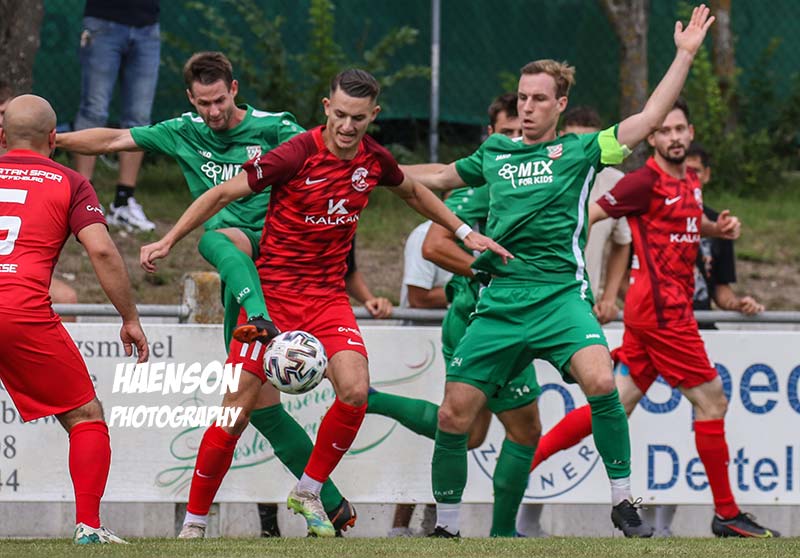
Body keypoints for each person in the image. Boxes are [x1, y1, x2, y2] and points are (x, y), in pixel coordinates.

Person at [139, 68, 510, 537]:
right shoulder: (295, 153)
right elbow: (222, 193)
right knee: (235, 411)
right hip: (274, 294)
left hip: (327, 297)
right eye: (341, 115)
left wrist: (464, 231)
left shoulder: (373, 159)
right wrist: (168, 240)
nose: (348, 126)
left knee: (355, 390)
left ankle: (309, 489)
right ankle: (193, 524)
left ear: (373, 115)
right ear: (326, 108)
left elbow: (414, 191)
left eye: (359, 117)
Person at [409, 6, 716, 538]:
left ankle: (622, 501)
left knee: (601, 380)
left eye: (538, 99)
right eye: (522, 98)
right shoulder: (495, 152)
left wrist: (684, 54)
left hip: (559, 296)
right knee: (453, 416)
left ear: (560, 104)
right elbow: (436, 177)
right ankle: (448, 528)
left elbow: (647, 119)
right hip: (501, 301)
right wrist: (364, 165)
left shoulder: (580, 150)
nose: (527, 107)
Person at [58, 51, 357, 538]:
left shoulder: (274, 127)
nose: (213, 112)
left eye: (220, 101)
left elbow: (322, 161)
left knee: (220, 241)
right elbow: (113, 139)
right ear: (190, 99)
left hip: (284, 270)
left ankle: (201, 522)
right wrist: (47, 141)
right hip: (242, 285)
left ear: (234, 90)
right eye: (203, 104)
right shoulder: (184, 130)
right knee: (252, 410)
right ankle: (325, 501)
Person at [532, 98, 778, 538]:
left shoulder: (690, 180)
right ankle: (726, 514)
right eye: (665, 131)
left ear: (691, 132)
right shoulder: (643, 182)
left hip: (655, 313)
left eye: (680, 129)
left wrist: (716, 229)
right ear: (652, 138)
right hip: (663, 314)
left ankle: (522, 461)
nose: (674, 137)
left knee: (615, 403)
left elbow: (684, 223)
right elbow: (589, 214)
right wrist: (560, 257)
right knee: (713, 402)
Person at [369, 92, 541, 537]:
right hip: (483, 320)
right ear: (490, 136)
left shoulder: (531, 179)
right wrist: (497, 272)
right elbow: (434, 246)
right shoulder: (483, 183)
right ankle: (502, 535)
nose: (515, 140)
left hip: (494, 317)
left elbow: (429, 173)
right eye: (506, 132)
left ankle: (370, 400)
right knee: (523, 430)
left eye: (521, 132)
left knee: (470, 434)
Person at [0, 95, 149, 544]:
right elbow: (101, 250)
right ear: (53, 138)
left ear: (2, 136)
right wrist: (129, 317)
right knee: (85, 415)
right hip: (19, 312)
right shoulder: (71, 182)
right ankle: (89, 527)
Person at [515, 105, 631, 536]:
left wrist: (609, 294)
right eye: (575, 137)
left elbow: (622, 242)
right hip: (527, 306)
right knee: (485, 414)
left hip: (578, 312)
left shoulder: (614, 181)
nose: (581, 146)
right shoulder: (537, 169)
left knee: (601, 396)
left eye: (590, 139)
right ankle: (501, 515)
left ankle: (530, 518)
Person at [71, 0, 162, 231]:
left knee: (139, 117)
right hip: (103, 21)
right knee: (93, 111)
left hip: (148, 24)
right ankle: (82, 201)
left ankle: (123, 202)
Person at [687, 143, 764, 317]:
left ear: (706, 174)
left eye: (695, 171)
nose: (689, 177)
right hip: (663, 323)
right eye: (683, 171)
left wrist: (738, 304)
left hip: (702, 322)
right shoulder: (651, 217)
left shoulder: (720, 222)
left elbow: (720, 287)